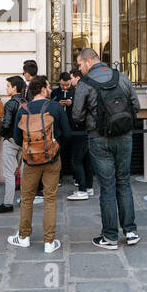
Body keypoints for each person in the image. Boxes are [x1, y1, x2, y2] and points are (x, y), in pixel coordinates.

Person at [73, 48, 140, 249]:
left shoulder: (85, 83)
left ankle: (110, 237)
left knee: (107, 187)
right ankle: (131, 231)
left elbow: (76, 116)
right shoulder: (122, 77)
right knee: (124, 183)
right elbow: (135, 105)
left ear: (87, 62)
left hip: (98, 139)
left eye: (79, 64)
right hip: (125, 137)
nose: (79, 68)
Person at [10, 75, 70, 253]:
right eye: (49, 87)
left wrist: (31, 149)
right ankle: (49, 242)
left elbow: (17, 137)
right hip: (52, 159)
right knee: (50, 199)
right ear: (43, 89)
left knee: (27, 199)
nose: (50, 89)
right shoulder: (55, 107)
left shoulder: (22, 109)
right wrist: (55, 146)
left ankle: (24, 237)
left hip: (30, 161)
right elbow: (67, 133)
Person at [0, 75, 26, 214]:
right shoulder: (26, 102)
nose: (6, 88)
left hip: (11, 140)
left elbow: (6, 124)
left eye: (8, 86)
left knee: (9, 173)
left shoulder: (10, 103)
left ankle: (7, 203)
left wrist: (0, 132)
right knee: (23, 172)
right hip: (23, 141)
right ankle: (24, 199)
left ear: (14, 87)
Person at [64, 71, 93, 200]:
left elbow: (78, 113)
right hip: (88, 130)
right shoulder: (86, 88)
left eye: (71, 78)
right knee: (87, 160)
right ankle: (89, 187)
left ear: (77, 78)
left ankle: (82, 190)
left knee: (77, 160)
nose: (70, 81)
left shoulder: (80, 89)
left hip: (80, 130)